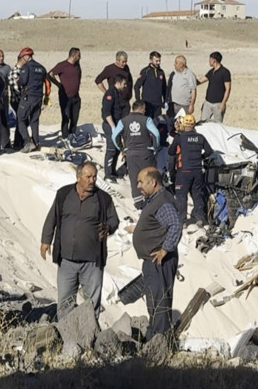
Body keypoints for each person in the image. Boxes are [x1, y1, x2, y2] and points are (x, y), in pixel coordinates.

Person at [40, 162, 119, 320]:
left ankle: (90, 337)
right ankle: (64, 335)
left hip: (92, 262)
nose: (92, 180)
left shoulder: (103, 199)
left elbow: (114, 221)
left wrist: (108, 227)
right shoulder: (64, 194)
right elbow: (52, 217)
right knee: (65, 302)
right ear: (78, 177)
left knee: (91, 304)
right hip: (66, 260)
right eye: (88, 176)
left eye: (94, 176)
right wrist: (46, 240)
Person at [125, 167, 182, 342]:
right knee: (154, 299)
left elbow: (175, 225)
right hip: (153, 261)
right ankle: (154, 336)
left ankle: (159, 341)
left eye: (141, 182)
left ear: (153, 182)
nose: (139, 186)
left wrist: (165, 249)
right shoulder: (155, 200)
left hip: (159, 261)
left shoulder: (162, 201)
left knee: (159, 301)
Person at [113, 100, 160, 210]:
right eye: (144, 109)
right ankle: (151, 199)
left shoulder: (123, 121)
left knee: (135, 178)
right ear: (141, 108)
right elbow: (156, 134)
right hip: (145, 153)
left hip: (131, 155)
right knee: (149, 176)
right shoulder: (146, 120)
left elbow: (114, 136)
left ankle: (138, 204)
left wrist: (122, 148)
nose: (145, 111)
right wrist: (154, 147)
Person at [168, 114, 213, 225]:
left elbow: (170, 152)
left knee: (181, 196)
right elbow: (209, 152)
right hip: (197, 171)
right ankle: (200, 218)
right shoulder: (200, 137)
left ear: (184, 124)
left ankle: (182, 220)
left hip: (184, 171)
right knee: (197, 194)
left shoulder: (180, 137)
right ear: (193, 125)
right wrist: (200, 158)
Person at [17, 47, 51, 153]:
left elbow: (22, 81)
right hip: (39, 97)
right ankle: (36, 142)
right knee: (34, 121)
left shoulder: (27, 67)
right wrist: (46, 96)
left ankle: (28, 142)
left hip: (28, 97)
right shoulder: (41, 68)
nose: (22, 60)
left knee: (20, 118)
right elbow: (48, 84)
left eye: (22, 57)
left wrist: (18, 81)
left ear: (26, 56)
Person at [49, 48, 83, 139]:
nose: (80, 57)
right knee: (66, 117)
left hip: (76, 96)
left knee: (74, 118)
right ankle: (65, 136)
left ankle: (72, 136)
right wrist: (58, 84)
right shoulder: (62, 65)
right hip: (65, 96)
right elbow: (50, 74)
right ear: (73, 55)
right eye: (79, 55)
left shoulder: (77, 66)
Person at [101, 74, 128, 182]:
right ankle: (108, 174)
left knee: (117, 149)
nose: (125, 86)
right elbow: (107, 113)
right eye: (124, 84)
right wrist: (113, 127)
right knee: (111, 149)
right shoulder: (110, 94)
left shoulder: (118, 93)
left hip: (117, 125)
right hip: (110, 125)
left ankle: (113, 172)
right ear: (118, 82)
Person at [197, 51, 231, 123]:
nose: (209, 61)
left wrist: (223, 103)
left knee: (218, 126)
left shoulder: (225, 72)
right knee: (202, 123)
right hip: (207, 103)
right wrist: (191, 82)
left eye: (210, 59)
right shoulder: (211, 71)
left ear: (214, 60)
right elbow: (201, 80)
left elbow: (228, 89)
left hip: (218, 104)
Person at [134, 51, 167, 121]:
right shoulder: (145, 71)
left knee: (157, 123)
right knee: (147, 123)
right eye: (156, 61)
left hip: (158, 104)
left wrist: (165, 101)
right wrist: (138, 100)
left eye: (159, 61)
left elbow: (164, 88)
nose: (158, 63)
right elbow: (137, 86)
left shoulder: (161, 72)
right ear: (150, 60)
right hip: (147, 104)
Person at [167, 55, 198, 129]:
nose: (174, 64)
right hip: (172, 104)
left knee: (182, 126)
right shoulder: (174, 73)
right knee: (172, 125)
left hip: (183, 106)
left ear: (181, 64)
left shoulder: (189, 74)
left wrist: (191, 105)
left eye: (176, 62)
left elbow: (193, 90)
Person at [8, 52, 26, 149]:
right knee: (21, 120)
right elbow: (16, 88)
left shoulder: (21, 70)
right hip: (17, 99)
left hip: (18, 99)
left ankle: (20, 141)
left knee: (22, 120)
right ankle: (18, 143)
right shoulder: (15, 71)